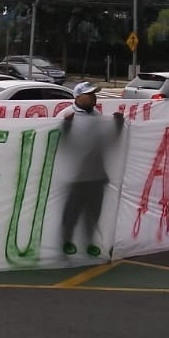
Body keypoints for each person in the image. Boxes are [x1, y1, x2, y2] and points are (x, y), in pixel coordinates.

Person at [57, 82, 125, 257]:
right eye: (90, 94)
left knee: (93, 213)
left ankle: (89, 242)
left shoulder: (98, 117)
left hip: (97, 175)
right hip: (75, 177)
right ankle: (66, 241)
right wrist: (65, 126)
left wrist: (117, 126)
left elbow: (107, 143)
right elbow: (60, 143)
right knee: (71, 213)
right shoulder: (66, 115)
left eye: (94, 94)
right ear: (78, 97)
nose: (94, 97)